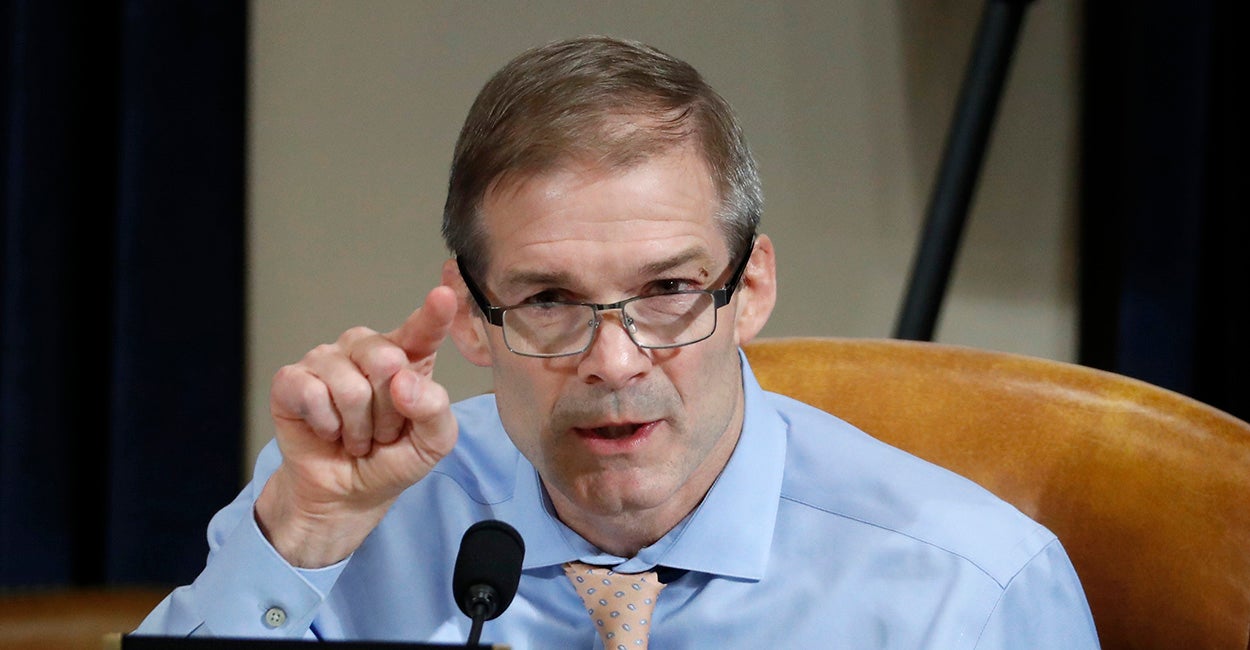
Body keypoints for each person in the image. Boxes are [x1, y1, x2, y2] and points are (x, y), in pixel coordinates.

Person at [137, 35, 1100, 647]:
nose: (613, 360)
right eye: (550, 299)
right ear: (471, 315)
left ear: (750, 289)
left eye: (669, 290)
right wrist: (305, 535)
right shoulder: (354, 515)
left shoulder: (969, 588)